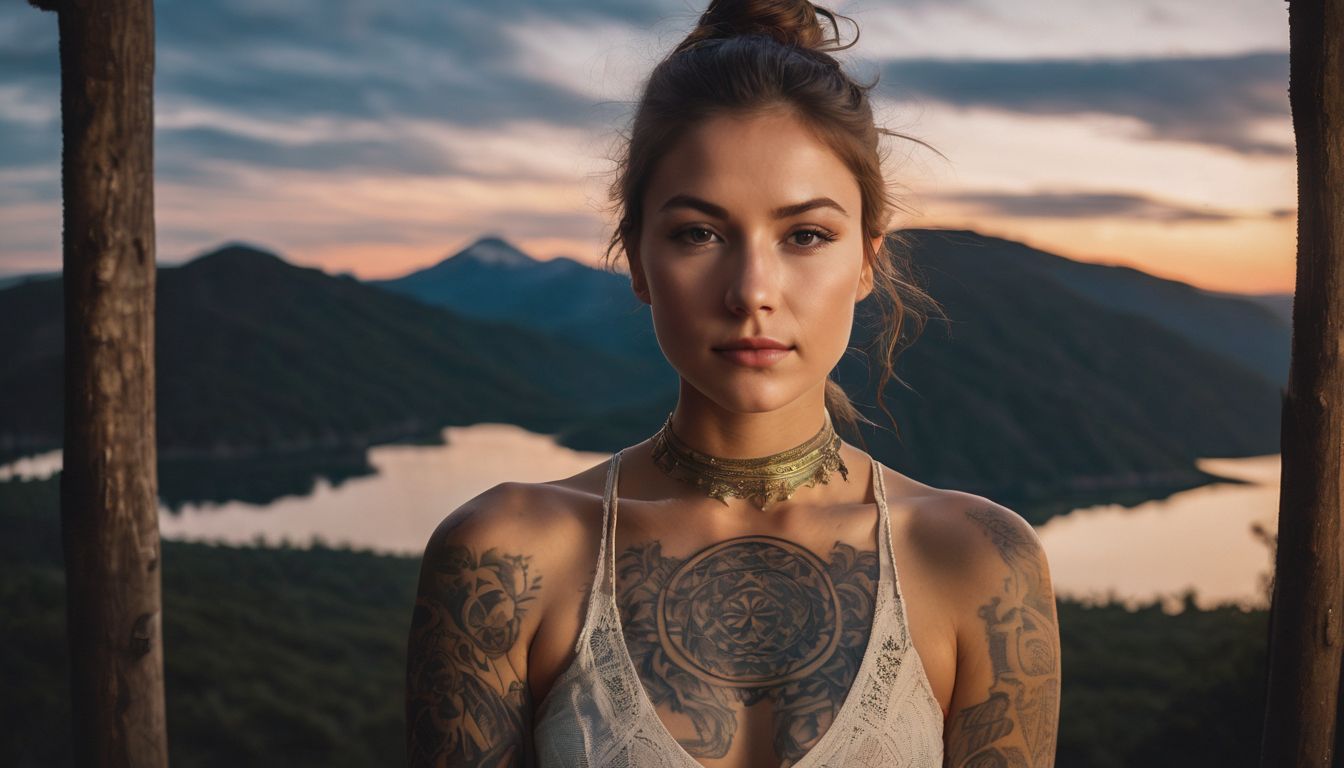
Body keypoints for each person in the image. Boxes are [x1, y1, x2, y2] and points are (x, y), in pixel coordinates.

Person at [405, 0, 1061, 765]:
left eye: (805, 235)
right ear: (640, 262)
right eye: (698, 233)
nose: (753, 289)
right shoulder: (508, 558)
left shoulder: (978, 564)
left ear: (866, 262)